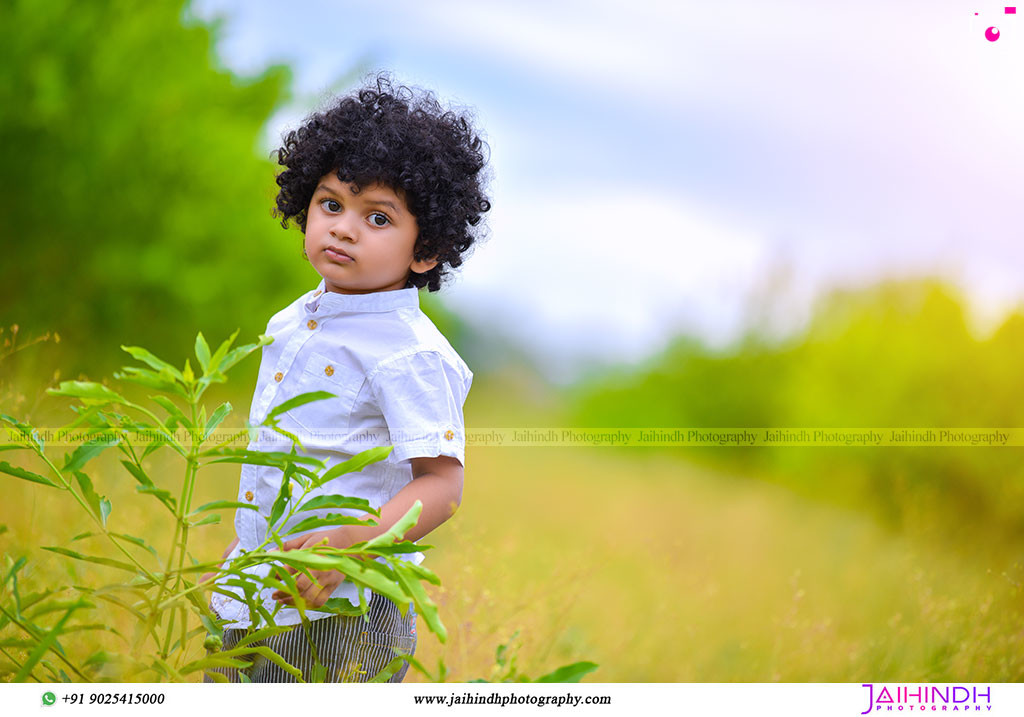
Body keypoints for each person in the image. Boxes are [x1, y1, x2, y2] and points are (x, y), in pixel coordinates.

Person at [201, 70, 491, 683]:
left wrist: (353, 545)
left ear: (425, 249)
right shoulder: (292, 320)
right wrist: (241, 554)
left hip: (343, 610)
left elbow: (442, 484)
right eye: (331, 203)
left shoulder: (411, 354)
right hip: (257, 590)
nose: (344, 227)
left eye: (378, 218)